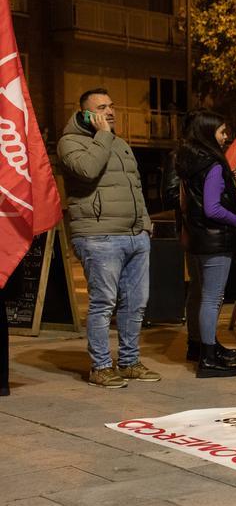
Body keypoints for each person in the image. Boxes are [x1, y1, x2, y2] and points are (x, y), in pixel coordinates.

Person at [58, 88, 159, 388]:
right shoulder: (69, 143)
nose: (111, 112)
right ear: (86, 113)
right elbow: (88, 170)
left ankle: (128, 362)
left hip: (134, 236)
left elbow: (134, 186)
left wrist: (145, 226)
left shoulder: (120, 143)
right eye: (102, 107)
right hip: (98, 236)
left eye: (111, 106)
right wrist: (102, 136)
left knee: (136, 303)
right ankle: (100, 366)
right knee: (103, 303)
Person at [175, 110, 236, 378]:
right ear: (208, 133)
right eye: (222, 132)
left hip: (199, 237)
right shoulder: (213, 165)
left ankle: (206, 348)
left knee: (203, 295)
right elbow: (213, 208)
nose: (226, 137)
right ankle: (209, 357)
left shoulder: (190, 162)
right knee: (212, 299)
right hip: (215, 238)